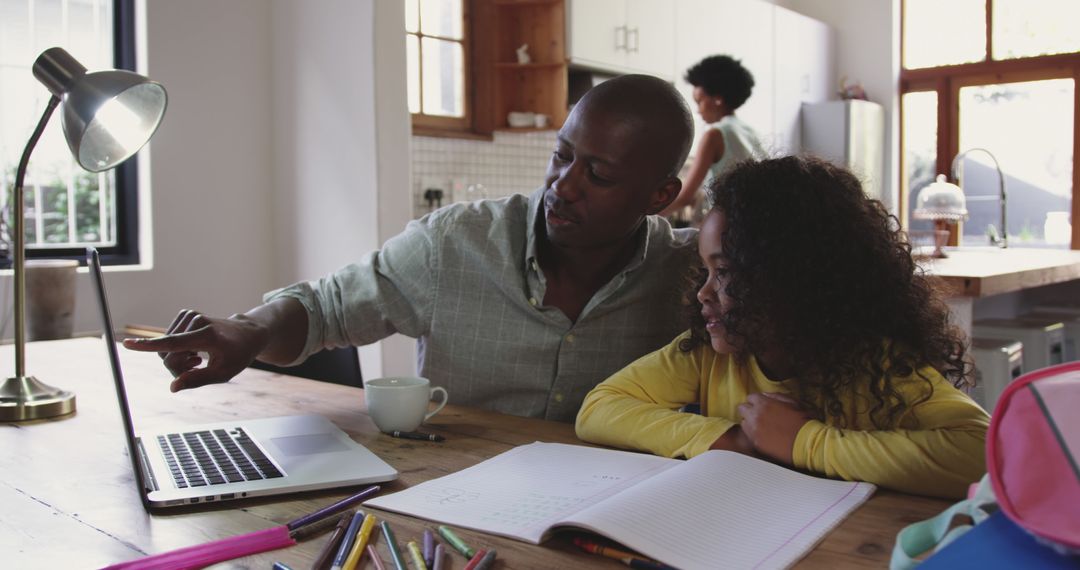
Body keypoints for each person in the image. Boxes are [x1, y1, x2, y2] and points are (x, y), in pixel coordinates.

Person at [123, 74, 698, 423]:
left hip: (614, 511)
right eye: (561, 155)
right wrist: (247, 330)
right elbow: (326, 307)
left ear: (660, 196)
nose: (563, 185)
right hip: (457, 491)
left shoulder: (693, 277)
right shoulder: (457, 243)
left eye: (597, 174)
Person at [576, 156, 990, 499]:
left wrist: (804, 442)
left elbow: (985, 453)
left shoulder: (877, 363)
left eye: (724, 272)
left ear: (795, 279)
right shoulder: (706, 353)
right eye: (705, 270)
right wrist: (730, 439)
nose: (703, 292)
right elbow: (599, 408)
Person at [661, 54, 766, 219]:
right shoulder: (750, 132)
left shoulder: (714, 135)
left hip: (731, 227)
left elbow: (684, 196)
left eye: (699, 101)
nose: (698, 110)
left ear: (717, 99)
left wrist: (643, 218)